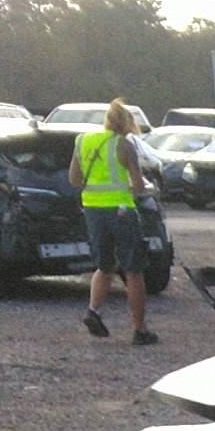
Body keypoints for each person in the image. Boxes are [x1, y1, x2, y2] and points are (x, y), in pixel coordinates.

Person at [69, 98, 156, 345]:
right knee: (133, 270)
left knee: (105, 266)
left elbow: (74, 180)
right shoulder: (124, 146)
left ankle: (93, 311)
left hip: (93, 211)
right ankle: (140, 330)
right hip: (121, 210)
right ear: (127, 124)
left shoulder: (83, 141)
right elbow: (138, 185)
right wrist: (141, 188)